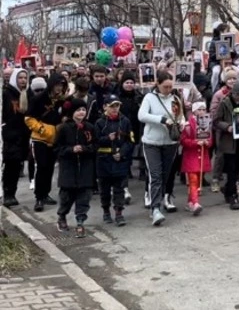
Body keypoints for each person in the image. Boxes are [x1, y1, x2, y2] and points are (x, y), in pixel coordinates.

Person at [138, 70, 184, 226]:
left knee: (165, 175)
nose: (168, 89)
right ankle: (155, 209)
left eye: (171, 86)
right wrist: (162, 120)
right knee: (155, 175)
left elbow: (181, 116)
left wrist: (182, 123)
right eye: (165, 86)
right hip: (152, 142)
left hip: (170, 142)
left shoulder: (175, 98)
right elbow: (142, 115)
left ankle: (161, 200)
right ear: (158, 84)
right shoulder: (149, 98)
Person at [25, 74, 68, 212]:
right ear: (51, 84)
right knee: (41, 167)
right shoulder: (39, 99)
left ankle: (46, 194)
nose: (59, 88)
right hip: (40, 137)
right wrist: (43, 129)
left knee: (49, 167)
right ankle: (39, 197)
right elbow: (29, 118)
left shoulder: (62, 101)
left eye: (62, 85)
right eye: (57, 85)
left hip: (55, 138)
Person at [54, 98, 96, 238]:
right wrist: (71, 150)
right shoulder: (64, 128)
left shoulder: (89, 127)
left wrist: (84, 149)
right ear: (72, 112)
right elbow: (57, 149)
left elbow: (95, 146)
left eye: (83, 110)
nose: (81, 113)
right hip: (68, 169)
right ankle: (62, 216)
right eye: (78, 110)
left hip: (85, 169)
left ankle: (80, 222)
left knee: (84, 197)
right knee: (67, 196)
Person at [94, 95, 133, 227]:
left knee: (119, 188)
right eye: (112, 106)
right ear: (105, 107)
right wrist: (106, 139)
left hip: (119, 161)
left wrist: (122, 153)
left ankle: (119, 213)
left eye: (117, 106)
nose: (115, 108)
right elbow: (94, 142)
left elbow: (130, 141)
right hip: (103, 160)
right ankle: (106, 211)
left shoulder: (125, 121)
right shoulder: (99, 123)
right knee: (104, 189)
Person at [215, 79, 239, 210]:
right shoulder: (224, 103)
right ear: (233, 93)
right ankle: (233, 195)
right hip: (229, 141)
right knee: (231, 169)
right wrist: (227, 127)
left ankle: (227, 189)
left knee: (238, 167)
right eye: (237, 95)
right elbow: (216, 121)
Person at [2, 69, 30, 207]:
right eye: (20, 78)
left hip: (22, 136)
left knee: (17, 166)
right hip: (9, 136)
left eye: (25, 78)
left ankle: (12, 193)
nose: (23, 80)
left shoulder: (26, 94)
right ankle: (7, 194)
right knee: (10, 166)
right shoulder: (6, 93)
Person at [180, 101, 213, 215]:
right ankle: (195, 203)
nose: (202, 112)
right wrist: (195, 142)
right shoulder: (188, 125)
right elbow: (183, 140)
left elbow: (210, 139)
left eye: (204, 109)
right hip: (191, 156)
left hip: (202, 156)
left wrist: (206, 143)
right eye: (199, 109)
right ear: (194, 111)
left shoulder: (207, 124)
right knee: (193, 180)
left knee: (198, 180)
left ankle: (190, 202)